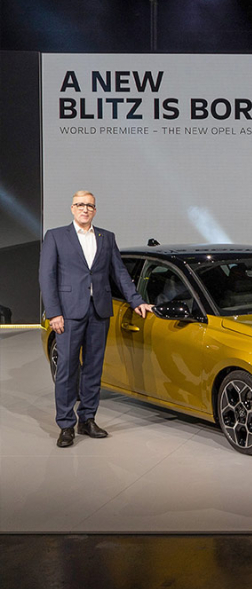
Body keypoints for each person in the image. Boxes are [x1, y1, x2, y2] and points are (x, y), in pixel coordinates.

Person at [39, 190, 153, 448]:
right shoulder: (56, 236)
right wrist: (54, 312)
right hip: (68, 313)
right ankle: (66, 424)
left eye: (89, 205)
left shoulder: (106, 237)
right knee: (67, 368)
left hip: (99, 311)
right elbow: (46, 276)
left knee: (93, 368)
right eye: (80, 204)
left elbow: (120, 273)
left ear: (95, 210)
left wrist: (136, 300)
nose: (85, 209)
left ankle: (87, 419)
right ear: (72, 208)